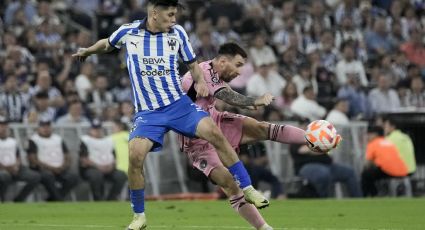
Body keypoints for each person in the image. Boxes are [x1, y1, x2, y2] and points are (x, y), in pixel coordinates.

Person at [72, 1, 268, 229]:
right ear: (155, 13)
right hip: (149, 112)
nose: (175, 19)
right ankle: (139, 216)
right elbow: (107, 44)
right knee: (135, 157)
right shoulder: (129, 31)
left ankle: (248, 188)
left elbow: (193, 65)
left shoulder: (178, 34)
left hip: (178, 106)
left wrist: (200, 81)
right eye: (171, 14)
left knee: (214, 133)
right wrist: (88, 50)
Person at [180, 43, 341, 229]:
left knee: (260, 127)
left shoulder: (212, 71)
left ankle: (311, 138)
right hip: (196, 138)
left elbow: (228, 95)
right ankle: (263, 228)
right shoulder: (202, 71)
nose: (240, 72)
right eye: (238, 64)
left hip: (215, 121)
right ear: (223, 61)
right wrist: (254, 101)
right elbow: (228, 96)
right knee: (231, 186)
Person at [27, 118, 79, 201]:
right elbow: (33, 159)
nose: (46, 129)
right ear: (38, 129)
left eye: (47, 126)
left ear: (51, 128)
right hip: (43, 170)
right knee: (48, 176)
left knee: (73, 177)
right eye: (43, 127)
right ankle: (58, 200)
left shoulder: (58, 139)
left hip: (60, 169)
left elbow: (67, 156)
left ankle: (53, 199)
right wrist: (51, 168)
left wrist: (63, 166)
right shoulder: (34, 140)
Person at [79, 120, 127, 200]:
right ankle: (98, 199)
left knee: (121, 175)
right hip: (92, 168)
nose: (97, 131)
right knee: (96, 175)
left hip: (109, 168)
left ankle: (111, 199)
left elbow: (114, 157)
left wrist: (111, 166)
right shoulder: (85, 140)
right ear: (90, 130)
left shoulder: (109, 141)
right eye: (95, 129)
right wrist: (99, 167)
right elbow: (84, 159)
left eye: (99, 129)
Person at [0, 116, 41, 202]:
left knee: (35, 176)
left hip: (15, 168)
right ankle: (2, 200)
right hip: (2, 170)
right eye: (1, 125)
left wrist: (16, 166)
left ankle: (19, 200)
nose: (3, 128)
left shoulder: (13, 141)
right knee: (4, 176)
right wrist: (7, 168)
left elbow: (17, 156)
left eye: (4, 125)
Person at [362, 126, 408, 197]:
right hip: (403, 171)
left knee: (365, 174)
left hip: (388, 171)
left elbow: (368, 163)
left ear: (375, 134)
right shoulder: (388, 142)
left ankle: (372, 195)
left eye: (369, 134)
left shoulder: (373, 143)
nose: (367, 136)